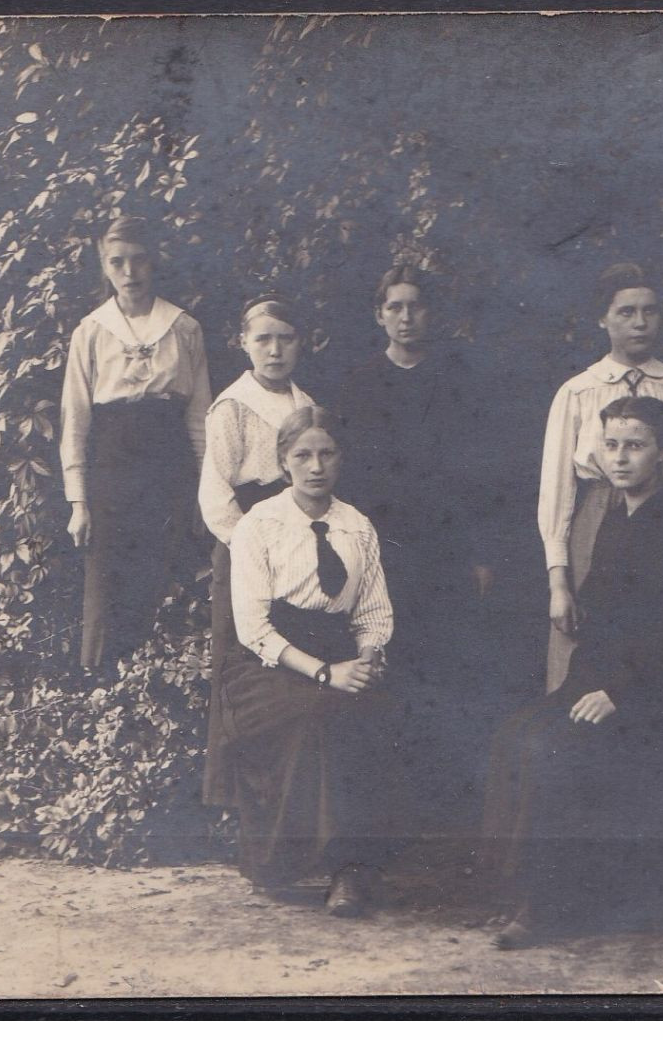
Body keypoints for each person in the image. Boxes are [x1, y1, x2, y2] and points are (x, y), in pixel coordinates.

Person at [483, 396, 663, 948]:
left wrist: (619, 692)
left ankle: (548, 907)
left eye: (636, 446)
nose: (620, 458)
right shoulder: (619, 518)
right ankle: (518, 890)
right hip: (600, 681)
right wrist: (587, 682)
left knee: (556, 748)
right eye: (612, 445)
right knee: (515, 733)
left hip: (658, 698)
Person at [216, 405, 404, 916]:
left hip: (339, 646)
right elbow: (254, 628)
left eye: (327, 453)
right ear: (284, 462)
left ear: (340, 459)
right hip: (269, 663)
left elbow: (372, 610)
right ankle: (285, 861)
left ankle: (354, 869)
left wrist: (366, 657)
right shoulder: (261, 524)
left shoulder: (356, 525)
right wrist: (325, 673)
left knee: (379, 710)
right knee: (318, 713)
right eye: (303, 455)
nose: (316, 465)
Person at [335, 265, 501, 828]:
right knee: (386, 672)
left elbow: (480, 477)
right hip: (383, 551)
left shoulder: (459, 380)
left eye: (416, 307)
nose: (406, 318)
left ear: (431, 313)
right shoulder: (358, 385)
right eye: (395, 307)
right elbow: (348, 481)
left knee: (448, 674)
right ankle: (386, 822)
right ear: (379, 315)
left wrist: (479, 554)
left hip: (447, 551)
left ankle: (445, 820)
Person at [538, 263, 663, 693]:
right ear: (603, 318)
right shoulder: (578, 391)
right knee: (585, 648)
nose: (640, 322)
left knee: (658, 649)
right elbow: (557, 494)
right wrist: (559, 583)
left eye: (650, 311)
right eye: (626, 312)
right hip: (596, 521)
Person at [60, 215, 212, 678]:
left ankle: (161, 684)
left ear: (155, 261)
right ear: (104, 267)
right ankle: (106, 686)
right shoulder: (90, 332)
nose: (130, 273)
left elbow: (201, 418)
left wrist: (207, 493)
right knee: (110, 577)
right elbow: (75, 420)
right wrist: (78, 502)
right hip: (111, 466)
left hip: (169, 464)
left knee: (165, 567)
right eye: (117, 262)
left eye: (139, 260)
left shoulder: (184, 329)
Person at [198, 295, 316, 810]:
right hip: (246, 544)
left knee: (296, 671)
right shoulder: (232, 406)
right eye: (263, 339)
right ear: (243, 343)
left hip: (297, 546)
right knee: (248, 668)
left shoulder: (306, 405)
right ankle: (243, 806)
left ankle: (295, 804)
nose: (274, 350)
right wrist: (256, 550)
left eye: (284, 338)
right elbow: (215, 494)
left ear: (300, 344)